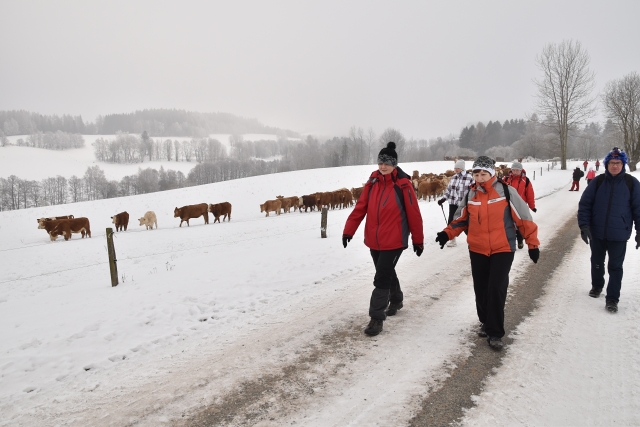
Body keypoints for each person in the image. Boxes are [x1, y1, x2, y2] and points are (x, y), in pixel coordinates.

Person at [435, 156, 540, 350]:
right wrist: (446, 234)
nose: (480, 177)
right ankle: (485, 321)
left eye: (484, 173)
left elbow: (524, 219)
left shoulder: (506, 192)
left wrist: (532, 244)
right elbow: (460, 219)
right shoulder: (470, 195)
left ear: (492, 173)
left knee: (496, 288)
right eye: (476, 174)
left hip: (503, 248)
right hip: (477, 248)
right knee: (481, 288)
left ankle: (495, 332)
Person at [343, 142, 424, 336]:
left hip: (394, 240)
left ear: (395, 164)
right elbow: (360, 208)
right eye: (381, 162)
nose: (383, 166)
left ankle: (376, 318)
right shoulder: (372, 183)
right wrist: (349, 231)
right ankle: (396, 299)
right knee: (385, 271)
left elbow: (414, 214)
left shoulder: (403, 186)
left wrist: (418, 240)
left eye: (387, 163)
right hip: (374, 239)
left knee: (381, 277)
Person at [577, 147, 640, 313]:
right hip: (597, 232)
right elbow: (585, 204)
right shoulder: (598, 182)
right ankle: (597, 286)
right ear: (606, 164)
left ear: (623, 164)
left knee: (615, 267)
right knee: (597, 262)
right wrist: (584, 225)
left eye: (618, 163)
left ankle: (612, 298)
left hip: (619, 234)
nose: (615, 166)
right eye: (612, 163)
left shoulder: (631, 183)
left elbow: (638, 209)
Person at [437, 159, 474, 247]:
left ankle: (472, 240)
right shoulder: (453, 178)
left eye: (457, 168)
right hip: (453, 202)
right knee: (451, 221)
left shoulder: (469, 178)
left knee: (464, 222)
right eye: (455, 168)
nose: (455, 170)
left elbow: (473, 191)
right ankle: (452, 240)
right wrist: (444, 199)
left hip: (463, 204)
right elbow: (449, 190)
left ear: (462, 168)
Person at [503, 160, 536, 249]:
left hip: (520, 206)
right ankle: (510, 242)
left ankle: (520, 240)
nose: (515, 172)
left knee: (519, 225)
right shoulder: (506, 179)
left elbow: (530, 194)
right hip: (508, 205)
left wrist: (532, 206)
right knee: (508, 224)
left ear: (521, 170)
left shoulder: (526, 181)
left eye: (517, 170)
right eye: (513, 170)